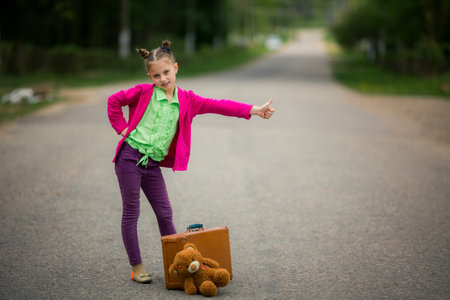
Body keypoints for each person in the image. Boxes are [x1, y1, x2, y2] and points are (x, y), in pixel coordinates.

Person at [107, 40, 275, 284]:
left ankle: (177, 265)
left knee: (165, 213)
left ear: (175, 68)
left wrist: (253, 109)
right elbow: (114, 100)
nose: (163, 78)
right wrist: (122, 129)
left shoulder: (187, 100)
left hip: (151, 163)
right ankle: (137, 266)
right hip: (129, 157)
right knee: (132, 212)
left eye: (166, 72)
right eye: (156, 75)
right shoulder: (143, 92)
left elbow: (219, 105)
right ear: (149, 76)